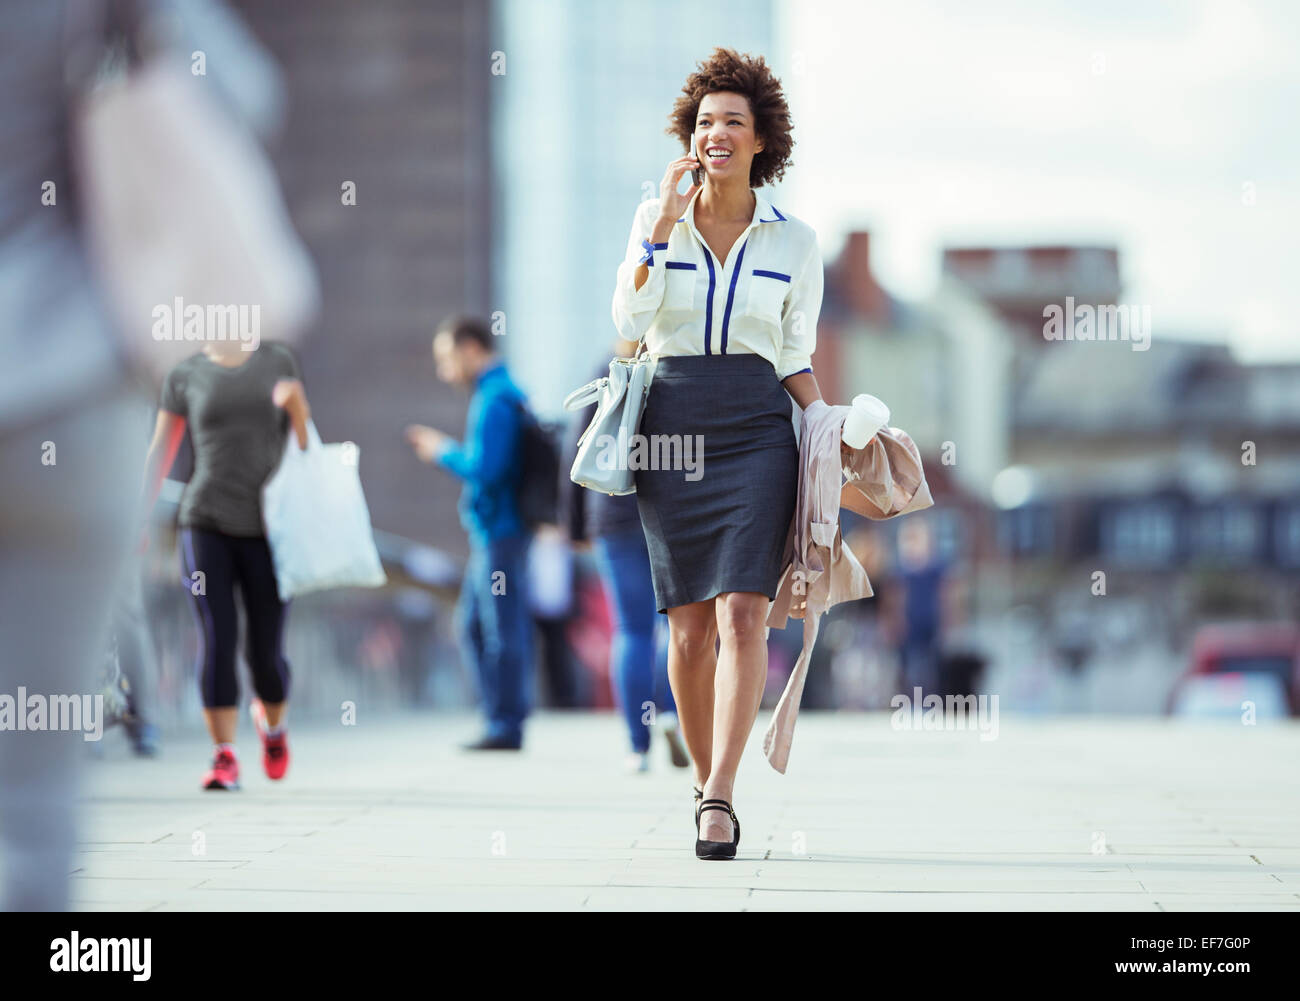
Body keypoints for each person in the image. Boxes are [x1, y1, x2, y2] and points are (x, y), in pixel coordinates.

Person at [611, 48, 865, 859]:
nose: (716, 133)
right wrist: (656, 231)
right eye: (705, 122)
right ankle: (699, 781)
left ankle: (720, 792)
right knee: (687, 631)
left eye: (732, 122)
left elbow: (793, 351)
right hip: (672, 419)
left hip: (757, 427)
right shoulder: (658, 218)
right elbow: (627, 324)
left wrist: (829, 428)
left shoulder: (797, 241)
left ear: (762, 141)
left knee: (744, 612)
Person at [142, 340, 310, 790]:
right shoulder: (185, 373)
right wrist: (139, 518)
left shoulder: (278, 360)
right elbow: (160, 450)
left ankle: (273, 728)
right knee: (217, 637)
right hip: (204, 521)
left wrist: (298, 409)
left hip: (270, 530)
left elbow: (306, 449)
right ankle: (223, 757)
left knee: (265, 654)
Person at [406, 315, 534, 751]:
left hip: (500, 530)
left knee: (496, 628)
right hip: (500, 530)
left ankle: (505, 724)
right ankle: (502, 720)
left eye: (447, 359)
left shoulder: (495, 398)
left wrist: (441, 451)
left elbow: (486, 468)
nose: (445, 371)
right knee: (480, 626)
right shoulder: (501, 392)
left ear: (471, 348)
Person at [562, 354, 691, 773]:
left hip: (612, 510)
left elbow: (577, 445)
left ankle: (637, 746)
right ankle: (671, 712)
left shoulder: (607, 369)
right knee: (673, 625)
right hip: (670, 513)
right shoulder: (679, 363)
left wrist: (575, 525)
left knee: (631, 630)